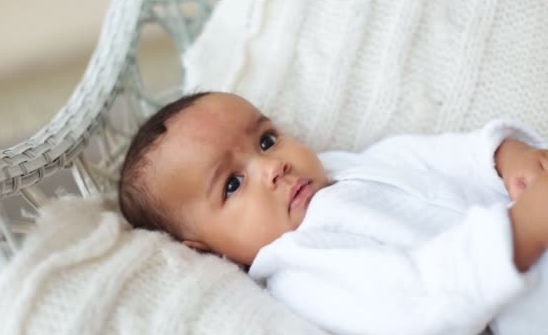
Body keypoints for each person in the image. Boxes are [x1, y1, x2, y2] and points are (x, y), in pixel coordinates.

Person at [118, 92, 548, 335]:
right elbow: (414, 300)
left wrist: (504, 158)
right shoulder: (300, 270)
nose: (272, 167)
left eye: (266, 140)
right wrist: (526, 226)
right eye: (232, 184)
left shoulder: (343, 166)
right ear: (208, 250)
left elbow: (435, 156)